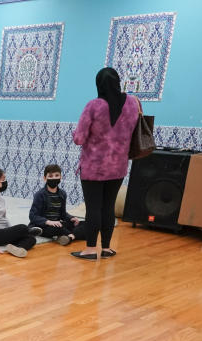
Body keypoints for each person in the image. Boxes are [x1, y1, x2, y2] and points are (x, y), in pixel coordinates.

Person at [71, 67, 140, 260]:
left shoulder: (94, 105)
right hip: (118, 166)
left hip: (94, 168)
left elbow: (79, 138)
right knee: (108, 207)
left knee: (93, 208)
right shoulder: (132, 104)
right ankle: (107, 248)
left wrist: (75, 134)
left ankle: (90, 249)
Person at [29, 163, 85, 246]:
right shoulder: (40, 195)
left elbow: (63, 214)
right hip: (44, 226)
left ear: (60, 177)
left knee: (86, 224)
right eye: (50, 176)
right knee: (59, 228)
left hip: (58, 223)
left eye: (56, 175)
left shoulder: (62, 194)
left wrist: (71, 218)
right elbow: (32, 216)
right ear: (45, 178)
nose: (54, 178)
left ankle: (70, 237)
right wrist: (48, 222)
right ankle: (71, 235)